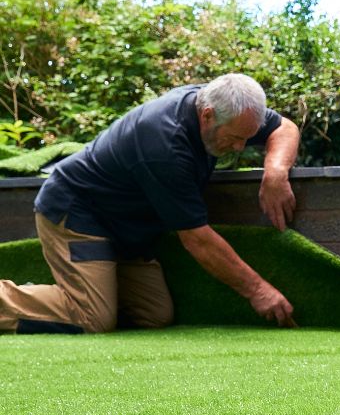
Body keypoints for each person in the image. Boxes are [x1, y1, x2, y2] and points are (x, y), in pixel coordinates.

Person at [0, 73, 300, 334]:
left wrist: (275, 172)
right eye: (234, 138)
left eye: (246, 138)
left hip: (126, 229)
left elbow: (284, 127)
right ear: (207, 115)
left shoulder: (229, 106)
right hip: (78, 211)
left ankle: (97, 291)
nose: (240, 147)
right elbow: (198, 240)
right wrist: (258, 290)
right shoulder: (165, 144)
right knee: (93, 318)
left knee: (154, 314)